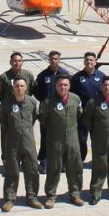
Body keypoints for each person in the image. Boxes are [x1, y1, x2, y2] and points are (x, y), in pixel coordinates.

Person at [0, 77, 42, 211]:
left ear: (26, 87)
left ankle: (32, 197)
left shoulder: (32, 102)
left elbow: (35, 117)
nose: (19, 88)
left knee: (32, 170)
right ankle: (9, 199)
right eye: (17, 86)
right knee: (12, 171)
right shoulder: (6, 104)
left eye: (22, 86)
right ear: (13, 88)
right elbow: (3, 121)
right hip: (12, 142)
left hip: (29, 141)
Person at [40, 75, 84, 208]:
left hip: (72, 140)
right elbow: (44, 120)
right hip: (55, 140)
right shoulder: (48, 102)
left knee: (74, 167)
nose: (62, 87)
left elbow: (79, 114)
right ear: (55, 86)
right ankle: (51, 196)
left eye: (65, 85)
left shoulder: (75, 99)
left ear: (69, 86)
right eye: (60, 85)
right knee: (53, 168)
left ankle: (75, 194)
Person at [82, 76, 109, 204]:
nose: (107, 87)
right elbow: (87, 120)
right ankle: (95, 194)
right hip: (99, 139)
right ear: (101, 86)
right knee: (99, 166)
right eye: (105, 85)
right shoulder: (93, 102)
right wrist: (97, 131)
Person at [33, 50, 69, 173]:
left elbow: (70, 90)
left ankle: (62, 163)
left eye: (56, 59)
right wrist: (46, 102)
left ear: (59, 60)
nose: (54, 61)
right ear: (49, 60)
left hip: (62, 110)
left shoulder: (65, 74)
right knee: (46, 138)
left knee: (62, 137)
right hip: (47, 112)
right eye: (52, 59)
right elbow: (37, 92)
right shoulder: (43, 75)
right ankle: (44, 163)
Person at [70, 51, 106, 161]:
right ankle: (80, 160)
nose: (89, 62)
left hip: (97, 114)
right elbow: (72, 95)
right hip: (82, 114)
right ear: (84, 62)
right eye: (87, 60)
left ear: (95, 62)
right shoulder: (77, 77)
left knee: (97, 139)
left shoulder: (101, 76)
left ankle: (98, 160)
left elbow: (107, 93)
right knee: (81, 139)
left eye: (91, 60)